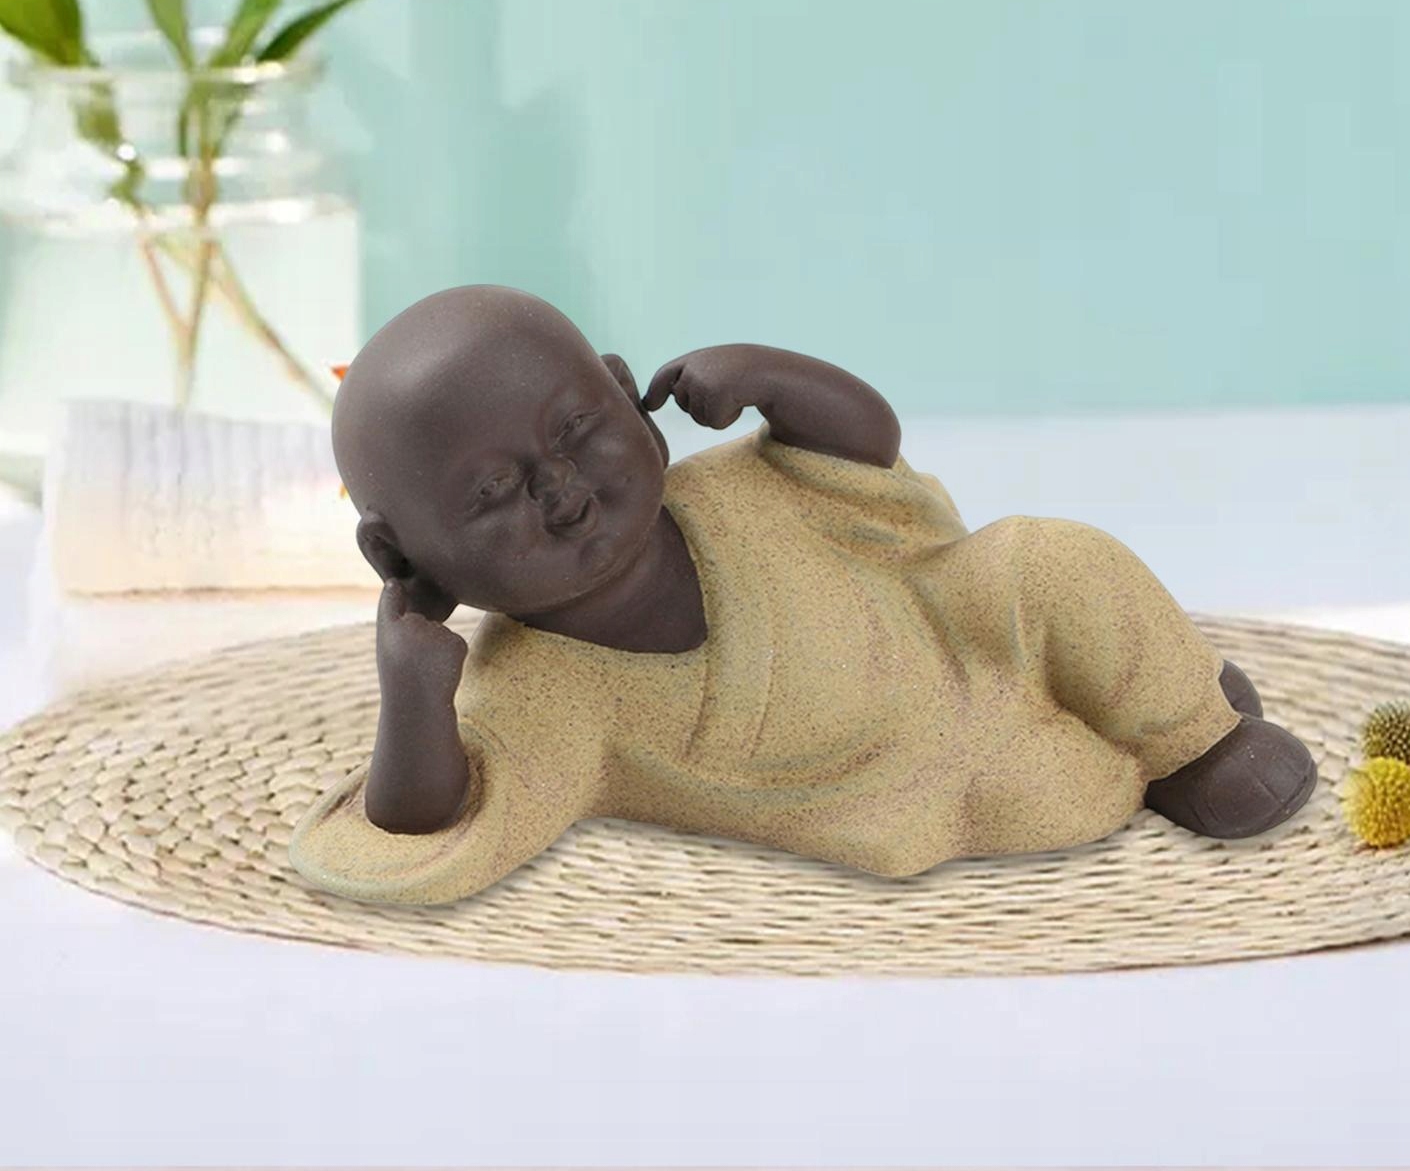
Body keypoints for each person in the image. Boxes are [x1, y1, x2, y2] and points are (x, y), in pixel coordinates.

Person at [290, 285, 1316, 905]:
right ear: (401, 557)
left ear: (629, 399)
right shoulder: (541, 692)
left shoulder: (734, 487)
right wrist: (414, 696)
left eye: (575, 430)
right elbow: (431, 820)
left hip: (953, 625)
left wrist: (775, 378)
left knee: (1047, 560)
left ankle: (1193, 738)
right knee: (1046, 779)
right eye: (492, 493)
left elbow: (865, 449)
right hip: (892, 781)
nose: (560, 490)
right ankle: (1146, 705)